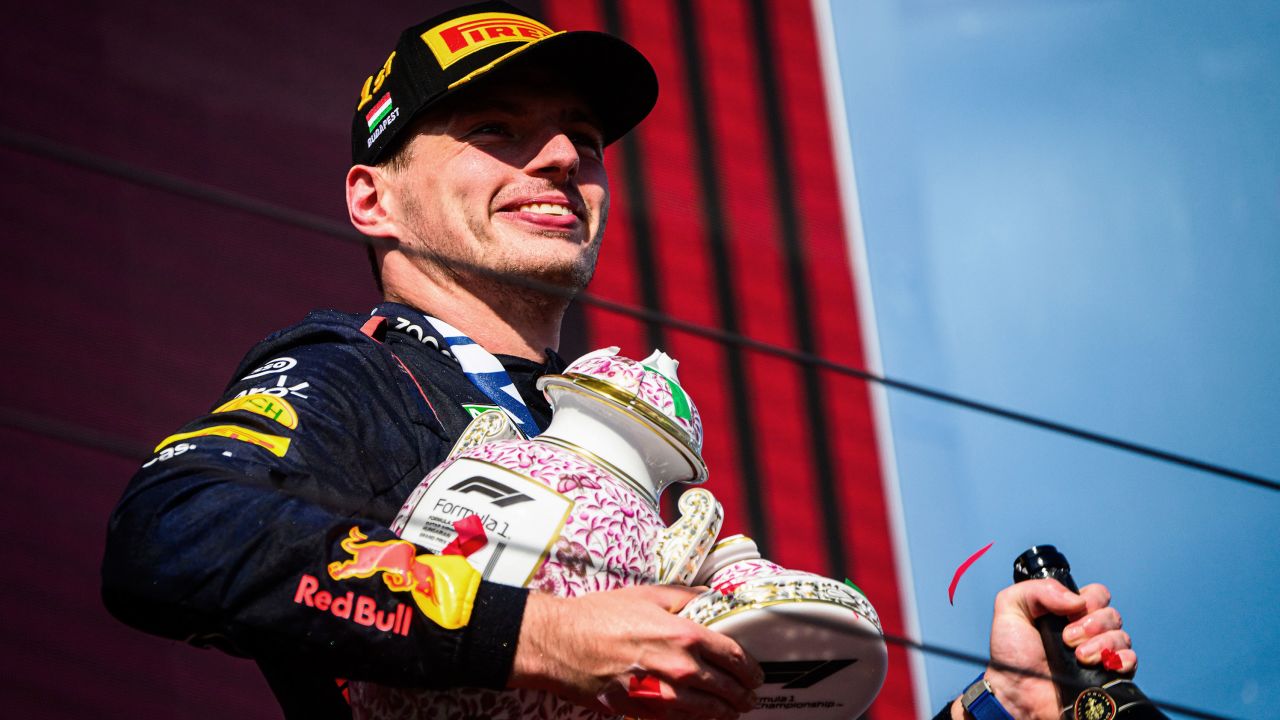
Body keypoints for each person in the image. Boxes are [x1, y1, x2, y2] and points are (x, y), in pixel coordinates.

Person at [101, 2, 1136, 719]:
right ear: (373, 201)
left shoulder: (628, 447)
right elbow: (172, 534)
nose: (558, 159)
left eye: (580, 139)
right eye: (495, 130)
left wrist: (1001, 704)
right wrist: (546, 635)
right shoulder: (361, 373)